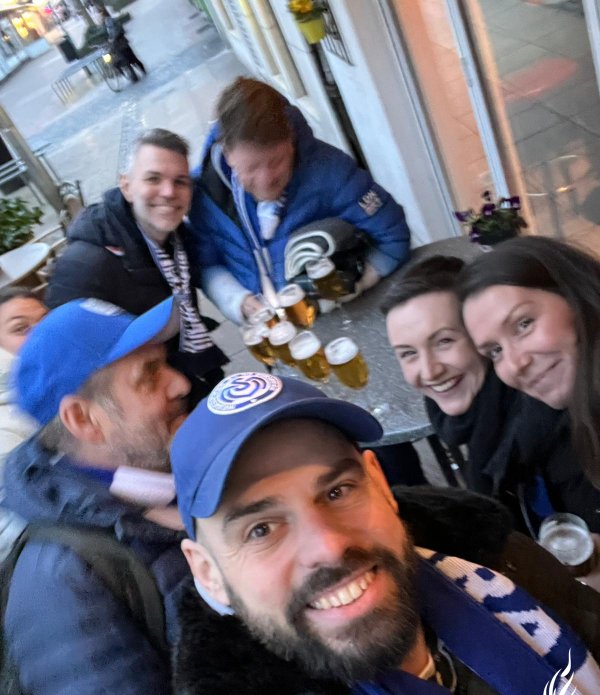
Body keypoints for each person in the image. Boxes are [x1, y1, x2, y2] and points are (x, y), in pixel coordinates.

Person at [171, 372, 600, 695]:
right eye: (261, 529)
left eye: (338, 491)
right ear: (209, 574)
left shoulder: (500, 562)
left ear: (379, 484)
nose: (329, 547)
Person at [2, 298, 191, 695]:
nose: (179, 383)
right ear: (84, 420)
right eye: (149, 376)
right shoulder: (59, 583)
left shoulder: (165, 475)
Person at [384, 256, 600, 531]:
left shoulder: (557, 421)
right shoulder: (480, 421)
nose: (429, 371)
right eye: (408, 353)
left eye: (444, 341)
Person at [190, 77, 411, 323]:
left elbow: (393, 235)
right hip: (272, 330)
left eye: (276, 161)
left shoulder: (332, 172)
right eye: (251, 167)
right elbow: (206, 263)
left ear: (291, 140)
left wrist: (361, 284)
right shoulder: (203, 194)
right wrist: (236, 301)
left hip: (337, 320)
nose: (265, 180)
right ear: (227, 153)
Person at [46, 128, 228, 400]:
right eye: (153, 178)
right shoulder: (85, 265)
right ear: (127, 186)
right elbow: (64, 367)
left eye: (180, 181)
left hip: (191, 374)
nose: (169, 192)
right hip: (150, 406)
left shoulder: (177, 237)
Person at [459, 235, 600, 490]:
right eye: (495, 351)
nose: (515, 365)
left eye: (524, 324)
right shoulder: (541, 420)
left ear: (574, 295)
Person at [0, 288, 47, 559]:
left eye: (45, 321)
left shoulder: (59, 378)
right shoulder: (6, 430)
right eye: (21, 329)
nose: (40, 334)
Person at [100, 7, 146, 83]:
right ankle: (135, 75)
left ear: (103, 15)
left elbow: (116, 32)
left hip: (120, 43)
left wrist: (112, 39)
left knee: (130, 59)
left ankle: (136, 75)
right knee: (128, 59)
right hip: (118, 44)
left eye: (99, 15)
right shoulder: (105, 24)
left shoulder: (110, 21)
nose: (99, 18)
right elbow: (106, 34)